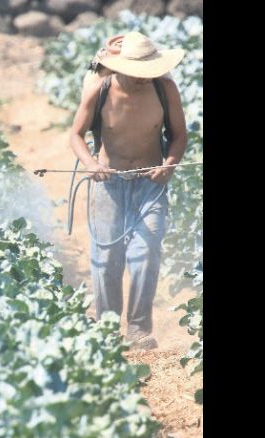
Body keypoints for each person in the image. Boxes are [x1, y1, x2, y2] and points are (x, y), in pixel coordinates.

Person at [69, 32, 188, 350]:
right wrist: (91, 165)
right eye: (137, 73)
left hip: (151, 184)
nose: (142, 79)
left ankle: (138, 329)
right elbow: (76, 135)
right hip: (108, 183)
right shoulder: (100, 89)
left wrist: (170, 165)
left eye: (148, 72)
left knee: (146, 253)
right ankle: (107, 329)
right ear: (120, 67)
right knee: (107, 259)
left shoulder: (165, 90)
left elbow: (178, 136)